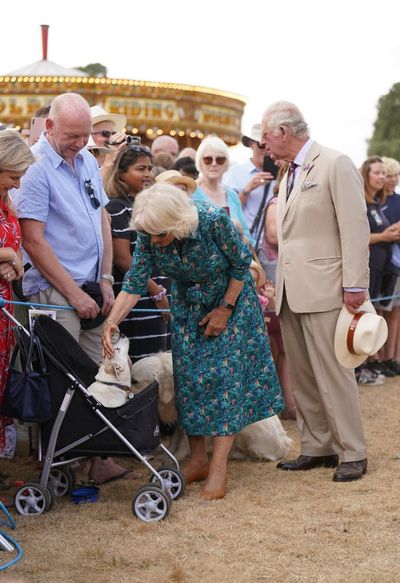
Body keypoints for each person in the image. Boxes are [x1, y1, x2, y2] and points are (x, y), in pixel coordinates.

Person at [102, 183, 283, 500]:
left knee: (224, 382)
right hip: (188, 307)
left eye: (161, 235)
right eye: (150, 236)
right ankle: (197, 460)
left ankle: (218, 467)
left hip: (232, 304)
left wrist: (224, 309)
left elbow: (242, 263)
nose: (155, 241)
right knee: (190, 382)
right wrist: (112, 321)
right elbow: (134, 280)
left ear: (177, 221)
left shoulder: (211, 219)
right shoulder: (150, 230)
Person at [15, 93, 135, 484]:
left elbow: (100, 216)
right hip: (54, 292)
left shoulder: (85, 159)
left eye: (85, 135)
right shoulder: (34, 169)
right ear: (48, 127)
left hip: (89, 285)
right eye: (72, 135)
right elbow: (33, 241)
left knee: (104, 373)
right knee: (62, 379)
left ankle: (99, 457)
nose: (80, 142)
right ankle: (57, 466)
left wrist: (104, 280)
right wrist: (73, 293)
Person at [260, 100, 370, 482]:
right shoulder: (287, 172)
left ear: (284, 133)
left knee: (335, 372)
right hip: (291, 290)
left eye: (265, 134)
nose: (263, 143)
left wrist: (355, 285)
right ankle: (317, 446)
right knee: (304, 374)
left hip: (328, 287)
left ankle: (353, 451)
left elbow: (356, 228)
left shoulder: (335, 163)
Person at [104, 143, 171, 361]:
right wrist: (156, 292)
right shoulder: (116, 207)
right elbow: (124, 259)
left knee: (162, 365)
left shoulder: (147, 204)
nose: (148, 174)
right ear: (122, 173)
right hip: (138, 298)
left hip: (158, 293)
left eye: (150, 168)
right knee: (143, 366)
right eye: (140, 169)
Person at [0, 130, 34, 455]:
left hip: (5, 311)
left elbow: (16, 248)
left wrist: (16, 262)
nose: (17, 184)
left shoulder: (5, 203)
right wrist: (8, 256)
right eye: (13, 176)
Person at [358, 156, 400, 380]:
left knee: (377, 312)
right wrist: (384, 235)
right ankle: (364, 362)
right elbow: (357, 236)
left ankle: (373, 359)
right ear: (366, 175)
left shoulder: (375, 201)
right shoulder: (360, 202)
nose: (383, 177)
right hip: (368, 266)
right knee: (367, 312)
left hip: (381, 266)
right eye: (379, 173)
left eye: (385, 173)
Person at [193, 136, 251, 240]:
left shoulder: (232, 195)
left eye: (220, 159)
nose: (214, 164)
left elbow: (246, 233)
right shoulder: (190, 192)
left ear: (226, 164)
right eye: (208, 159)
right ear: (200, 162)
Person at [223, 124, 276, 233]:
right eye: (262, 144)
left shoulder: (282, 174)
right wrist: (247, 190)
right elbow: (227, 210)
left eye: (270, 145)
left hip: (271, 245)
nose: (266, 149)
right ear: (251, 144)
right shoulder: (234, 173)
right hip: (245, 241)